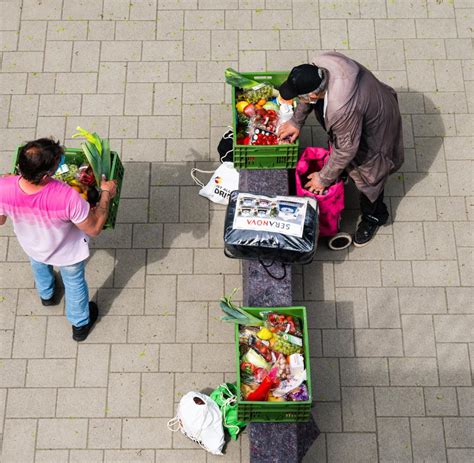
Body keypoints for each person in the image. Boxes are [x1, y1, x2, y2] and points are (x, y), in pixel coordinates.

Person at [278, 52, 404, 246]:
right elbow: (309, 100)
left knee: (370, 176)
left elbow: (346, 149)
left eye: (300, 97)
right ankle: (341, 172)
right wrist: (296, 121)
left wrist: (323, 178)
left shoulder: (341, 109)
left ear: (312, 95)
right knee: (341, 151)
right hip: (370, 102)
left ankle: (375, 216)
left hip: (377, 131)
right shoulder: (322, 64)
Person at [0, 138, 117, 341]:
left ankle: (47, 295)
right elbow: (95, 227)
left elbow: (0, 220)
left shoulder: (3, 186)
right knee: (74, 283)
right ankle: (80, 324)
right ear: (47, 175)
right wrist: (106, 193)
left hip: (32, 245)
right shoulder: (67, 197)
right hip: (67, 253)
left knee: (38, 264)